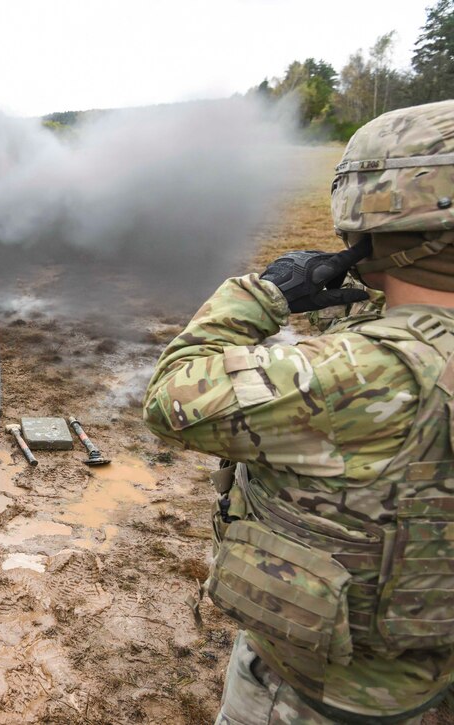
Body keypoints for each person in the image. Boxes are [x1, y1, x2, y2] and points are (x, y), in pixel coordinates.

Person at [144, 99, 454, 724]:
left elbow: (173, 395)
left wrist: (260, 295)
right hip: (424, 669)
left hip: (318, 693)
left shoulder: (369, 374)